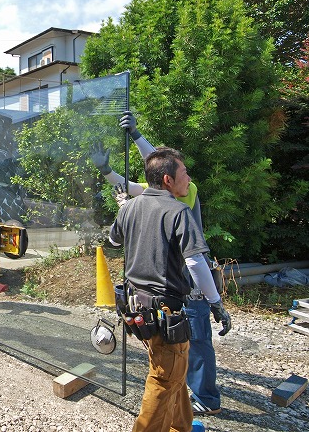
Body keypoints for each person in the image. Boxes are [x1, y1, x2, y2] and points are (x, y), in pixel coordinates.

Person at [92, 111, 229, 416]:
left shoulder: (186, 194)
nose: (189, 176)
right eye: (184, 172)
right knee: (175, 357)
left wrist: (137, 136)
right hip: (171, 288)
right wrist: (106, 171)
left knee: (196, 342)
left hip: (191, 283)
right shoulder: (161, 195)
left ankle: (206, 396)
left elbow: (157, 169)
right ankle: (186, 411)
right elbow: (139, 182)